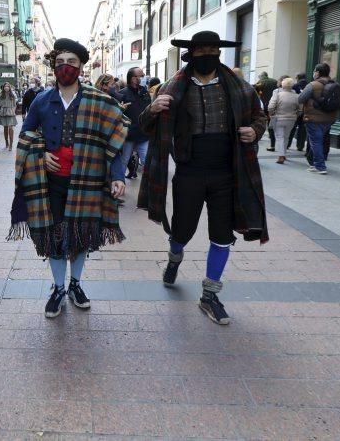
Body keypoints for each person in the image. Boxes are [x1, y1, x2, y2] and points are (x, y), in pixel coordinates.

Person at [138, 30, 269, 325]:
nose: (208, 54)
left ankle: (210, 295)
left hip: (227, 172)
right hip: (189, 173)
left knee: (222, 236)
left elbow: (260, 117)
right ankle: (174, 258)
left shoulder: (239, 87)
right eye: (202, 50)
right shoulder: (172, 87)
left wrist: (255, 131)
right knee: (182, 231)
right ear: (191, 53)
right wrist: (152, 108)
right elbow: (144, 126)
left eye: (213, 49)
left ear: (219, 52)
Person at [11, 38, 127, 317]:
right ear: (53, 67)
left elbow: (118, 136)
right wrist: (39, 154)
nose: (65, 68)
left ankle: (75, 284)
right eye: (60, 62)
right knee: (53, 236)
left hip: (88, 181)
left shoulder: (99, 101)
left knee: (81, 235)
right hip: (50, 182)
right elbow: (25, 134)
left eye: (71, 62)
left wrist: (118, 176)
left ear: (81, 66)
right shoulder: (41, 100)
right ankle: (58, 287)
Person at [299, 63, 337, 175]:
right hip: (329, 119)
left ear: (318, 73)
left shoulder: (312, 85)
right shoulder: (335, 84)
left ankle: (320, 166)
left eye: (315, 71)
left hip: (313, 118)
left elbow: (301, 99)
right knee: (317, 141)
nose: (314, 73)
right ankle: (313, 162)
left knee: (316, 142)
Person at [118, 67, 152, 181]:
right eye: (141, 76)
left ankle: (149, 189)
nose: (143, 78)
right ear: (133, 78)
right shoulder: (122, 94)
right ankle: (118, 185)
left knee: (148, 162)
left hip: (143, 134)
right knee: (123, 161)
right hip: (128, 136)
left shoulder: (144, 92)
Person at [267, 78, 300, 164]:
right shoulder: (296, 96)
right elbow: (300, 109)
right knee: (286, 136)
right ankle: (283, 154)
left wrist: (271, 114)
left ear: (282, 85)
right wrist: (296, 115)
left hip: (279, 118)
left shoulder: (278, 94)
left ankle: (281, 156)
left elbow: (270, 107)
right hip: (291, 119)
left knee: (279, 137)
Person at [255, 72, 278, 151]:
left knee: (262, 120)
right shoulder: (274, 81)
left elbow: (256, 92)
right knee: (270, 121)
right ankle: (271, 136)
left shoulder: (260, 82)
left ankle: (261, 133)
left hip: (263, 103)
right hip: (273, 104)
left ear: (261, 77)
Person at [287, 72, 308, 151]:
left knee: (292, 127)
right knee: (302, 129)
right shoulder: (309, 85)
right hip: (305, 110)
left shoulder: (294, 86)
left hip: (295, 109)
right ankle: (300, 146)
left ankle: (287, 144)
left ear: (297, 78)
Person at [0, 82, 18, 151]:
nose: (6, 87)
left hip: (11, 112)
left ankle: (11, 144)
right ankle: (6, 142)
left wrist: (13, 110)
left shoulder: (13, 95)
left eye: (8, 86)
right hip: (3, 112)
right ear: (3, 87)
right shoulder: (0, 95)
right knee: (5, 128)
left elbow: (15, 104)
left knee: (10, 128)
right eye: (5, 86)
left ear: (9, 87)